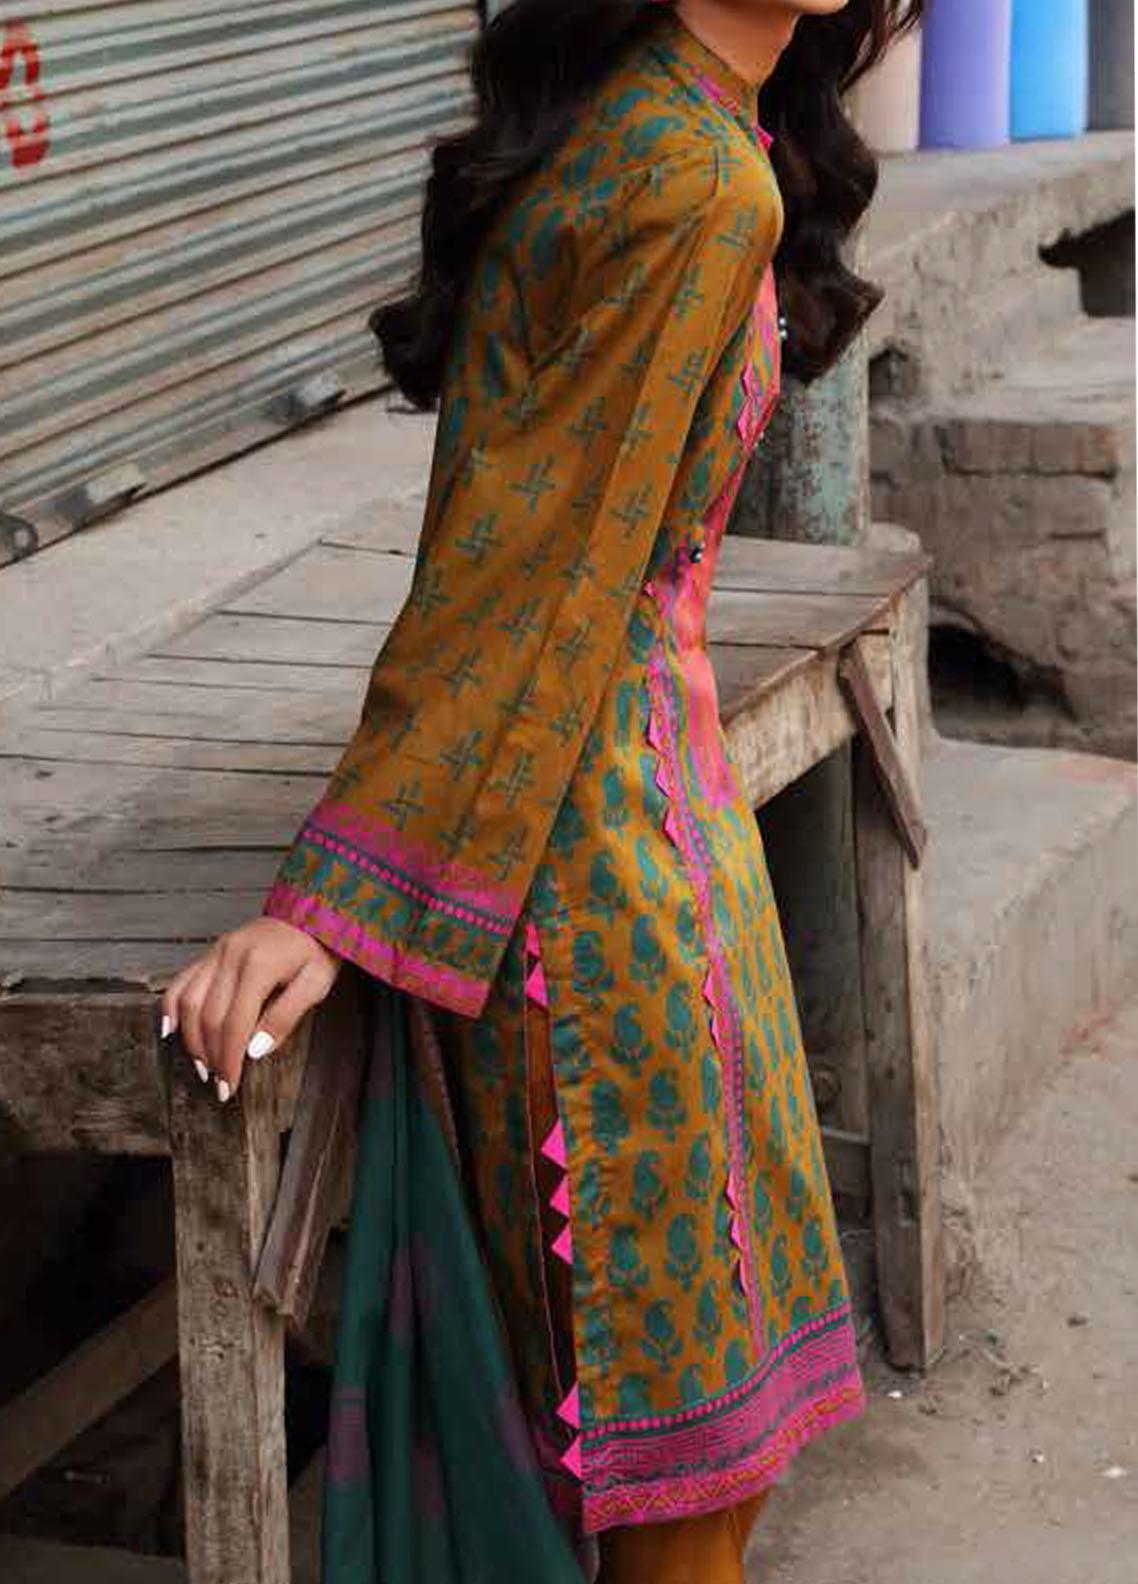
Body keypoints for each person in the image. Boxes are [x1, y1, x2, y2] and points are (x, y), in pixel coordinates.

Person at [160, 2, 923, 1578]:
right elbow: (531, 570)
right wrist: (329, 899)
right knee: (666, 1504)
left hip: (636, 846)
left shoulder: (662, 122)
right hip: (606, 906)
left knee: (671, 1483)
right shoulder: (693, 176)